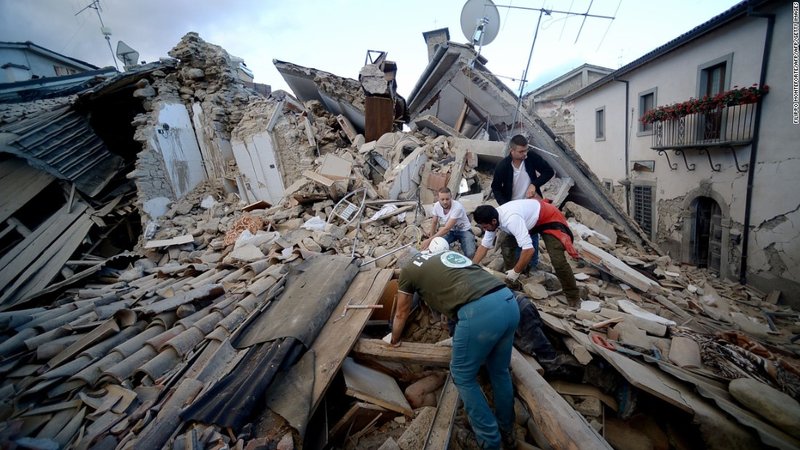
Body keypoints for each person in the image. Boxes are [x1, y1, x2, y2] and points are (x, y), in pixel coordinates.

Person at [389, 244, 519, 449]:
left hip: (479, 313)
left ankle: (490, 442)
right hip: (508, 301)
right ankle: (508, 429)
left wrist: (394, 340)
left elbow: (401, 313)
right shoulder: (444, 255)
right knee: (500, 371)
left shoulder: (408, 270)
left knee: (462, 374)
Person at [472, 199, 581, 307]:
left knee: (558, 261)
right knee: (507, 247)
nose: (485, 230)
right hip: (530, 221)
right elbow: (484, 245)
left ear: (494, 221)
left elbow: (529, 250)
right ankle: (512, 284)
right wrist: (472, 266)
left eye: (485, 227)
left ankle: (573, 296)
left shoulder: (511, 220)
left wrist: (515, 271)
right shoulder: (491, 219)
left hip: (549, 218)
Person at [490, 134, 554, 272]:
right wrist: (505, 205)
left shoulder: (531, 158)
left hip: (530, 205)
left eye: (526, 150)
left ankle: (532, 266)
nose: (525, 154)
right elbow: (495, 187)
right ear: (511, 151)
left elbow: (549, 172)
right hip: (512, 207)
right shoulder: (503, 166)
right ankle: (518, 266)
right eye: (521, 151)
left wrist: (534, 185)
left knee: (532, 233)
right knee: (516, 236)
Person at [420, 187, 476, 258]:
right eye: (442, 199)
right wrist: (432, 240)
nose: (445, 202)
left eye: (447, 199)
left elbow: (447, 228)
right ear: (438, 199)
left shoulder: (457, 207)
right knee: (436, 248)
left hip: (464, 230)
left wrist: (429, 240)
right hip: (451, 232)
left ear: (451, 198)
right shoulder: (437, 206)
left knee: (470, 254)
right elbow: (434, 222)